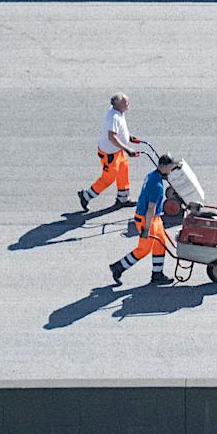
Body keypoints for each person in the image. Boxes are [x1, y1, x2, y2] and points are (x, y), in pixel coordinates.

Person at [109, 155, 177, 289]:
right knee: (144, 249)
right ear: (163, 166)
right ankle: (118, 267)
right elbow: (151, 208)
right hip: (147, 218)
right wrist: (146, 229)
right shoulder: (157, 186)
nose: (171, 170)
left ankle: (157, 274)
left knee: (160, 243)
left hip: (154, 218)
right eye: (170, 167)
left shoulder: (152, 175)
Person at [78, 93, 138, 213]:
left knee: (123, 172)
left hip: (117, 151)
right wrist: (127, 149)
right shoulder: (114, 117)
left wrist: (128, 137)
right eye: (125, 102)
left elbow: (119, 130)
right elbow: (112, 137)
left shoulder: (118, 111)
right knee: (108, 178)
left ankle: (122, 199)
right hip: (110, 154)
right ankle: (86, 196)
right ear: (118, 104)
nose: (128, 104)